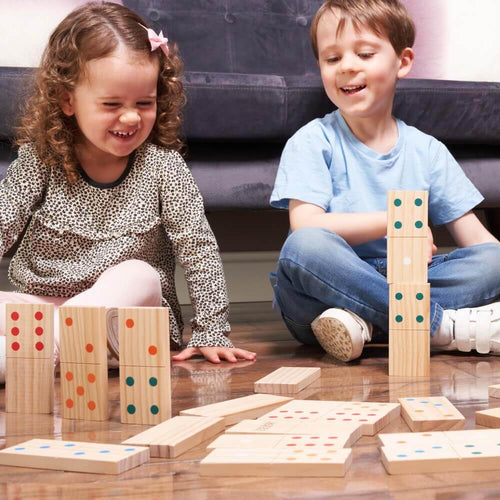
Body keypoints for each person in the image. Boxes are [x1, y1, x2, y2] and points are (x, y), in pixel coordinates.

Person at [0, 1, 256, 380]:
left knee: (140, 275)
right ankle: (49, 349)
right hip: (45, 308)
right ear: (67, 100)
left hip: (130, 324)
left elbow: (198, 248)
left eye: (144, 103)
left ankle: (34, 356)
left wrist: (211, 329)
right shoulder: (41, 160)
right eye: (112, 104)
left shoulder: (162, 166)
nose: (132, 116)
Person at [270, 0, 500, 362]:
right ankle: (440, 329)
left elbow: (479, 243)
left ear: (403, 62)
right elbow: (305, 226)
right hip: (328, 288)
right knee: (303, 248)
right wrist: (396, 222)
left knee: (496, 260)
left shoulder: (428, 151)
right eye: (332, 59)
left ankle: (369, 323)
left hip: (407, 281)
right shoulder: (312, 141)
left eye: (364, 53)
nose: (347, 66)